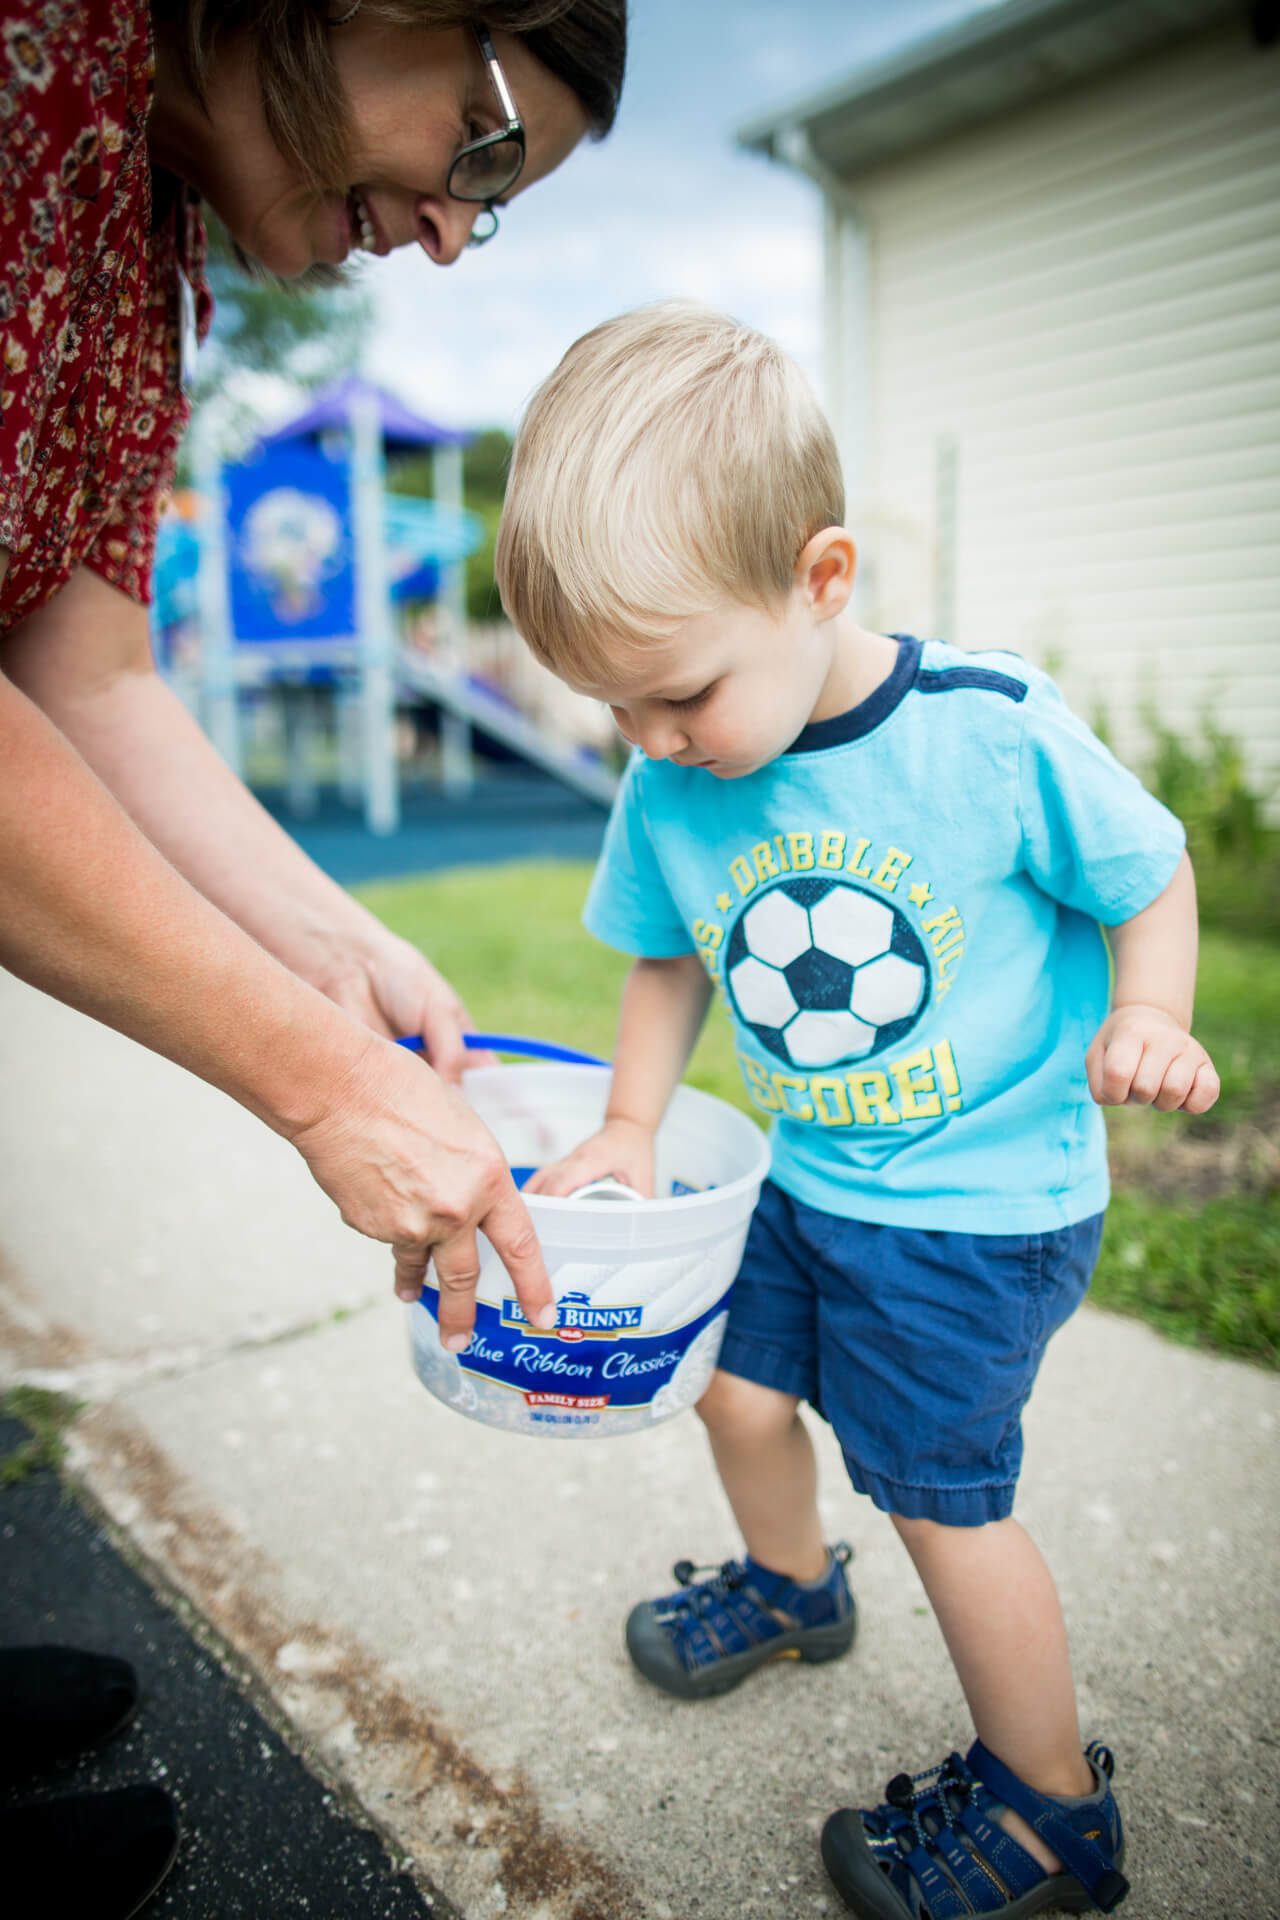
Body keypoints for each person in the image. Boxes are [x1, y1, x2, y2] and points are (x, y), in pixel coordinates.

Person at [1, 0, 625, 1904]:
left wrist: (332, 946)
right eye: (490, 146)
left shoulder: (141, 237)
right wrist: (317, 1080)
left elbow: (77, 662)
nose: (453, 230)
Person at [493, 301, 1220, 1920]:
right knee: (734, 1396)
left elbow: (1149, 867)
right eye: (616, 710)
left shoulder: (986, 731)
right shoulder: (670, 779)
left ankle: (1048, 1812)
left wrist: (1151, 1012)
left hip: (978, 1211)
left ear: (820, 582)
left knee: (938, 1502)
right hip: (809, 1183)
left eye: (677, 694)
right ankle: (791, 1586)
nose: (653, 741)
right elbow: (669, 957)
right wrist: (625, 1125)